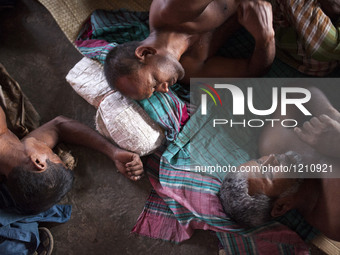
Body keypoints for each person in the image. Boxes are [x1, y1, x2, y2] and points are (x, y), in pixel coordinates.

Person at [219, 87, 340, 241]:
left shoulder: (274, 143)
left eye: (259, 161)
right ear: (281, 207)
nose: (271, 158)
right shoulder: (335, 219)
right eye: (268, 173)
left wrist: (331, 114)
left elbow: (295, 92)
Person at [104, 0, 275, 100]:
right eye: (156, 91)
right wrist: (266, 37)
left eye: (155, 82)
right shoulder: (190, 68)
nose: (164, 89)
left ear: (145, 53)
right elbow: (254, 70)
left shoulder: (173, 11)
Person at [0, 105, 144, 215]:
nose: (48, 146)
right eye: (53, 153)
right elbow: (58, 126)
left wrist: (114, 152)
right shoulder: (17, 156)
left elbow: (59, 126)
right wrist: (113, 152)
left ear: (37, 162)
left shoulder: (14, 148)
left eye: (53, 154)